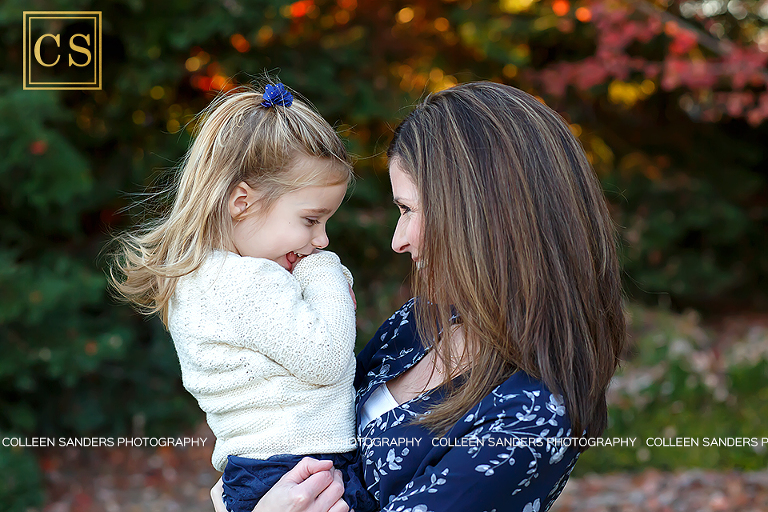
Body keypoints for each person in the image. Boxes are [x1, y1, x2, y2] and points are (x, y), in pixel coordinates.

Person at [212, 81, 626, 512]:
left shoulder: (530, 416)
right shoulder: (422, 322)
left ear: (483, 215)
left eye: (408, 210)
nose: (398, 240)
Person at [110, 83, 376, 512]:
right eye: (311, 220)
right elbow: (327, 358)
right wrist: (324, 271)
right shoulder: (243, 282)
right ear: (241, 202)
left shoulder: (205, 278)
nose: (322, 240)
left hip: (262, 472)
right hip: (296, 469)